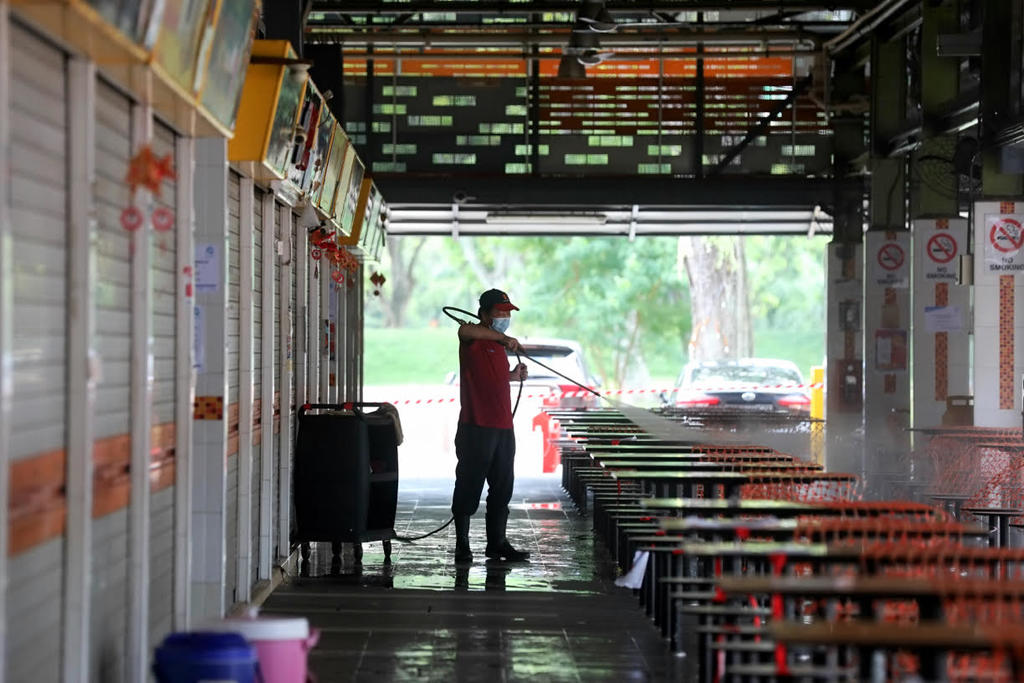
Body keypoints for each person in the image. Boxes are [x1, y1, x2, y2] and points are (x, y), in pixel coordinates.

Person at [451, 289, 531, 564]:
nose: (505, 317)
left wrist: (512, 375)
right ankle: (462, 543)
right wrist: (504, 337)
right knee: (469, 484)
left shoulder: (498, 345)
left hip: (503, 427)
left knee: (502, 486)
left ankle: (497, 543)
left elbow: (491, 378)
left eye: (508, 313)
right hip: (476, 427)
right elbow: (467, 331)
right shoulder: (472, 335)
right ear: (484, 314)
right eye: (499, 312)